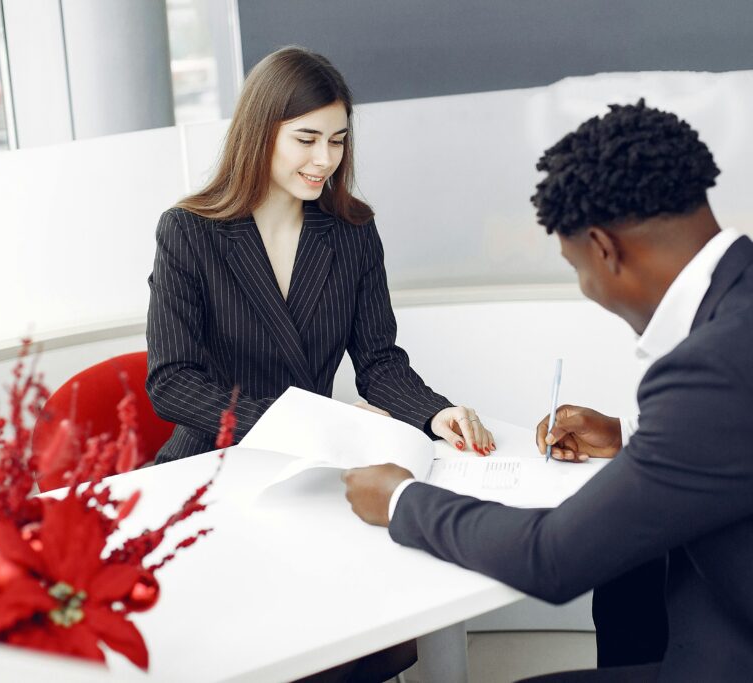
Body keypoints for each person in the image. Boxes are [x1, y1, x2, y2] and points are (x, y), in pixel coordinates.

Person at [342, 100, 753, 681]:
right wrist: (628, 437)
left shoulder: (716, 367)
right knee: (630, 578)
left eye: (578, 268)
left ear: (604, 249)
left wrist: (401, 499)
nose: (587, 287)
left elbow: (551, 558)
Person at [146, 46, 494, 682]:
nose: (325, 160)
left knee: (357, 627)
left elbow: (379, 362)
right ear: (260, 133)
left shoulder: (352, 231)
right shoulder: (190, 231)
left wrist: (435, 413)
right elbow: (172, 383)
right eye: (306, 139)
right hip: (211, 469)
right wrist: (302, 425)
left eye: (337, 140)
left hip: (310, 473)